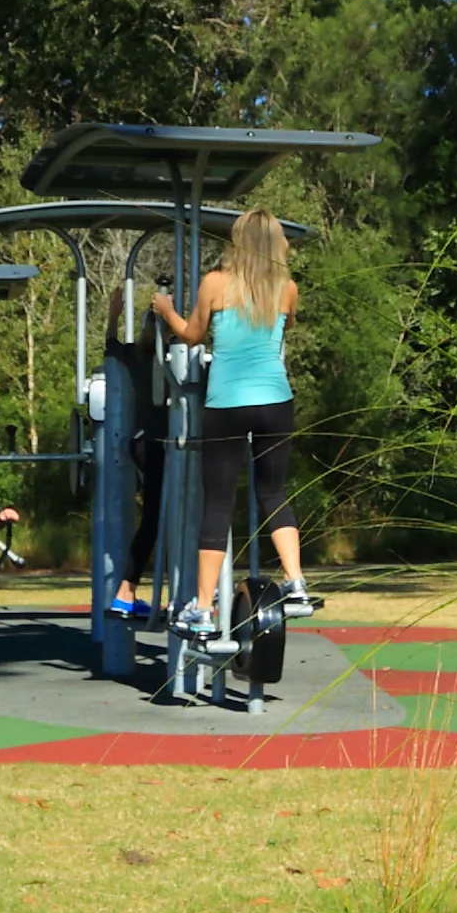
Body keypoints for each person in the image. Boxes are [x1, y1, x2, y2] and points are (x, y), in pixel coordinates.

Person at [148, 203, 315, 624]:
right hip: (276, 403)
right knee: (273, 494)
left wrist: (165, 311)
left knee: (219, 504)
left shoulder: (216, 284)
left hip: (227, 404)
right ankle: (296, 584)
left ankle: (203, 607)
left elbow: (191, 333)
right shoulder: (286, 288)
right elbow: (286, 325)